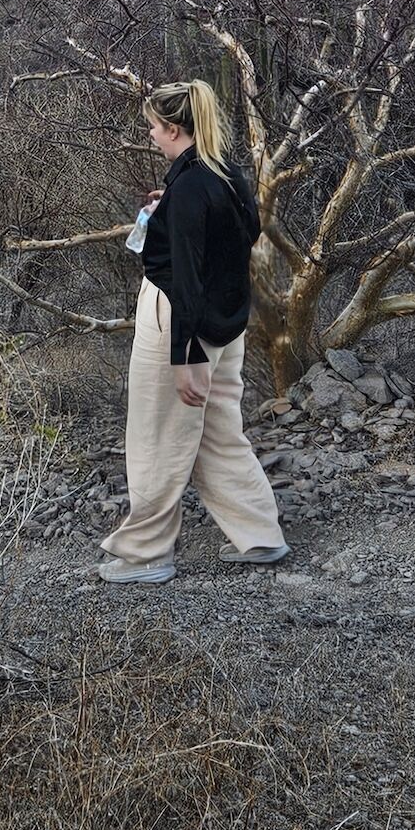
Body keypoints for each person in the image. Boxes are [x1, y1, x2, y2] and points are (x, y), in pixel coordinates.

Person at [98, 79, 290, 586]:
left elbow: (184, 274)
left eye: (154, 129)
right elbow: (246, 231)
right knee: (217, 430)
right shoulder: (225, 174)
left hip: (178, 323)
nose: (152, 137)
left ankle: (145, 553)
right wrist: (174, 208)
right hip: (228, 325)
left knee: (157, 435)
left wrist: (185, 356)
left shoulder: (188, 188)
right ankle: (260, 533)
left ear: (174, 127)